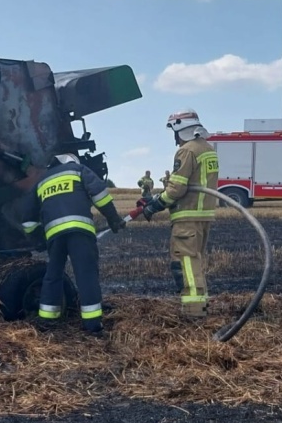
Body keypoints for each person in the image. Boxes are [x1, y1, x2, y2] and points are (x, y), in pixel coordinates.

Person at [21, 153, 126, 333]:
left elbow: (28, 219)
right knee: (86, 275)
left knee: (53, 275)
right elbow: (100, 195)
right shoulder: (78, 170)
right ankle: (92, 325)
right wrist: (114, 219)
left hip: (54, 235)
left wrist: (38, 239)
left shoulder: (42, 181)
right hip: (80, 231)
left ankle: (47, 322)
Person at [139, 111, 219, 319]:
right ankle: (200, 308)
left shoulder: (187, 151)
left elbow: (177, 189)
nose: (175, 140)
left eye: (174, 133)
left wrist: (155, 206)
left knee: (185, 265)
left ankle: (193, 313)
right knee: (194, 263)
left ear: (180, 128)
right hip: (203, 216)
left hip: (187, 217)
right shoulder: (207, 149)